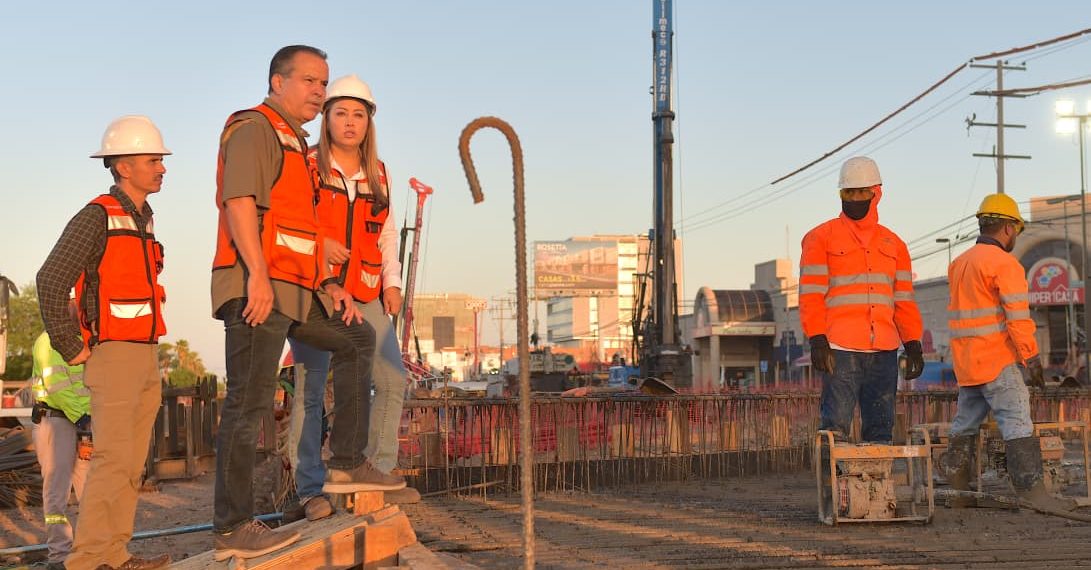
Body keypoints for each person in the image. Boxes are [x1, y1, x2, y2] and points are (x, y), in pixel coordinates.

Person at [210, 46, 379, 560]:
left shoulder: (297, 146)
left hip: (295, 290)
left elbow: (299, 231)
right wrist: (257, 278)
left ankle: (348, 460)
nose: (318, 92)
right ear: (277, 81)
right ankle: (232, 525)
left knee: (356, 336)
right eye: (309, 81)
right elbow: (239, 203)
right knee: (248, 404)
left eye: (322, 83)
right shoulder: (255, 128)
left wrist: (328, 284)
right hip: (258, 291)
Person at [36, 115, 172, 570]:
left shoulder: (144, 221)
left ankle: (115, 554)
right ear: (123, 166)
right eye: (154, 160)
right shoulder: (96, 216)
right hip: (113, 355)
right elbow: (51, 279)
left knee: (132, 463)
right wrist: (72, 348)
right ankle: (88, 560)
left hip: (146, 353)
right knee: (113, 460)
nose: (162, 168)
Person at [287, 74, 410, 522]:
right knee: (312, 391)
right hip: (316, 294)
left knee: (393, 381)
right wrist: (319, 250)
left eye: (359, 114)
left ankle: (373, 471)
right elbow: (292, 222)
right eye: (341, 112)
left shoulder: (379, 173)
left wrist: (392, 282)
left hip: (366, 292)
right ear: (327, 118)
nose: (350, 122)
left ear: (369, 121)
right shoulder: (306, 164)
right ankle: (310, 490)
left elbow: (388, 232)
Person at [943, 193, 1074, 513]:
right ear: (1009, 229)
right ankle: (1032, 492)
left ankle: (959, 492)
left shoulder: (959, 263)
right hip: (996, 360)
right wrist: (1032, 360)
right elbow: (1017, 318)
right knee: (1017, 419)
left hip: (967, 363)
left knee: (965, 424)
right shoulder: (1004, 264)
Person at [798, 156, 924, 444]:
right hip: (840, 349)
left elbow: (903, 301)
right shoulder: (820, 238)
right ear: (841, 195)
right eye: (849, 193)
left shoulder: (894, 244)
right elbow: (811, 295)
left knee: (881, 430)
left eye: (861, 193)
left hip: (884, 351)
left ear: (876, 194)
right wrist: (817, 339)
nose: (855, 199)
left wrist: (913, 344)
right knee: (834, 430)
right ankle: (835, 490)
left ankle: (874, 489)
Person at [30, 323, 91, 569]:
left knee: (90, 489)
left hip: (80, 422)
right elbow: (57, 387)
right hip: (57, 421)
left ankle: (91, 551)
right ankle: (60, 556)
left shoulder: (82, 341)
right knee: (57, 493)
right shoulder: (47, 341)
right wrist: (83, 419)